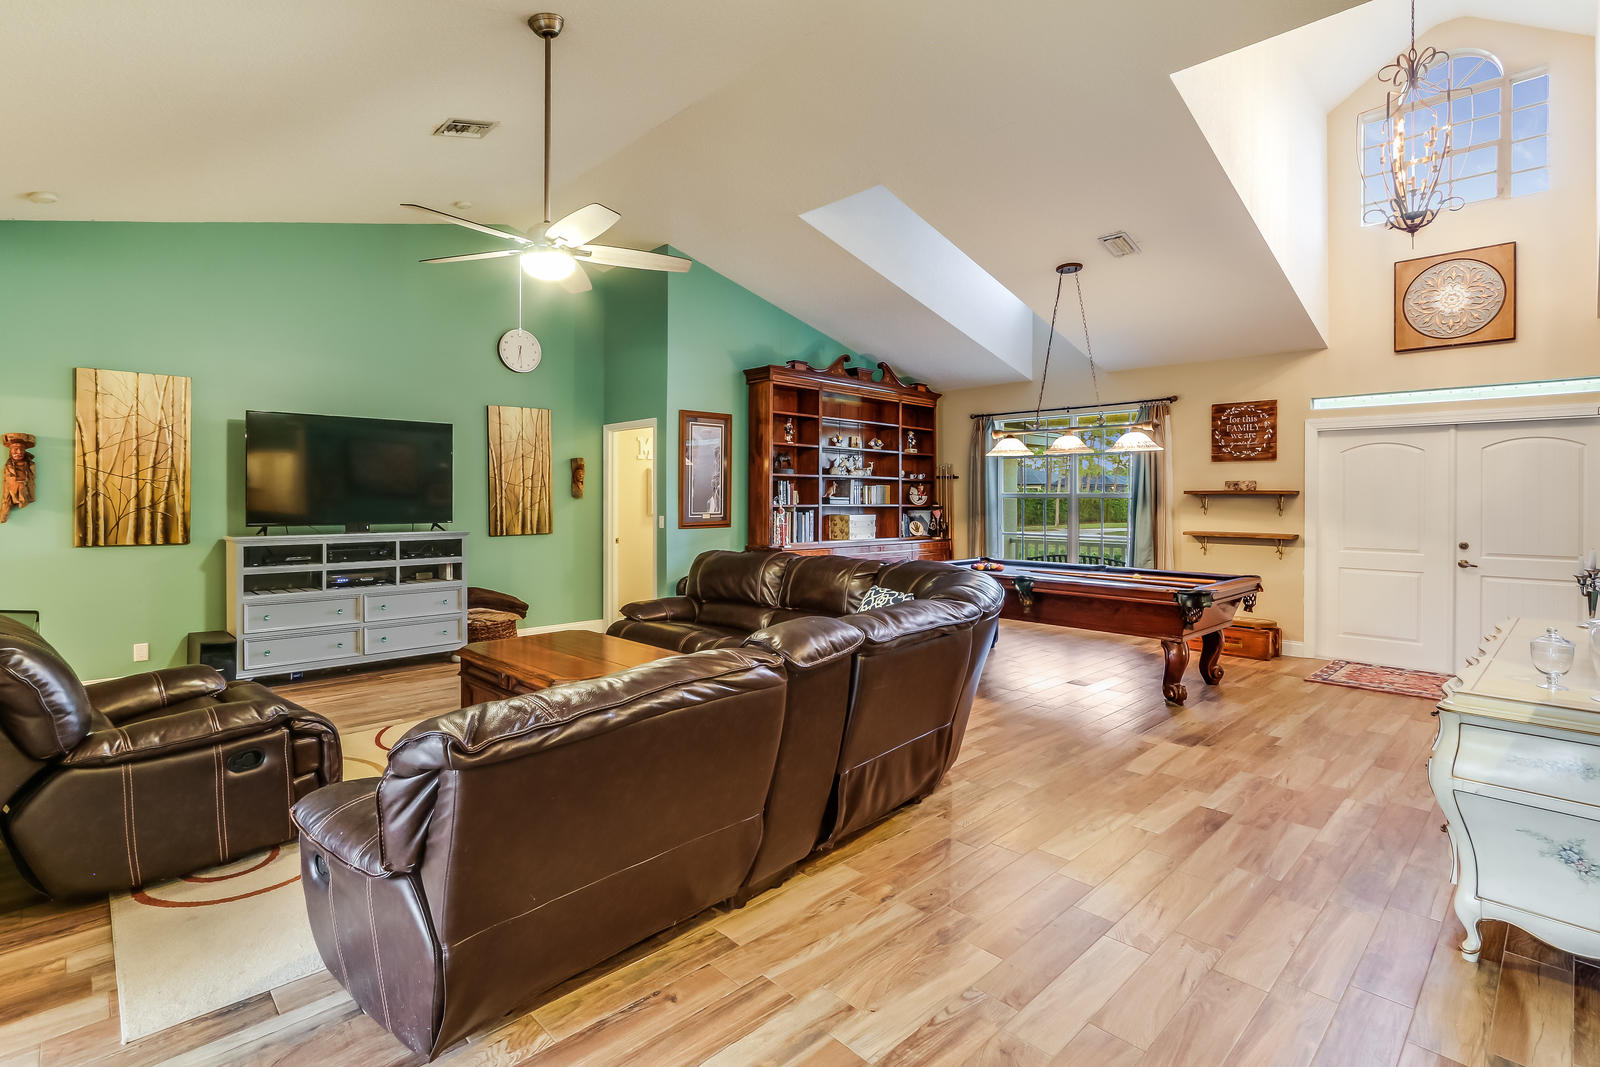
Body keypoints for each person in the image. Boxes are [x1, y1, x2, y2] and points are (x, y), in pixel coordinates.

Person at [1, 433, 36, 523]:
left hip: (25, 493)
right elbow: (6, 489)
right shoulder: (8, 467)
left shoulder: (30, 465)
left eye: (22, 450)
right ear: (10, 451)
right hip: (12, 492)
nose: (19, 452)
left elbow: (31, 480)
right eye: (16, 449)